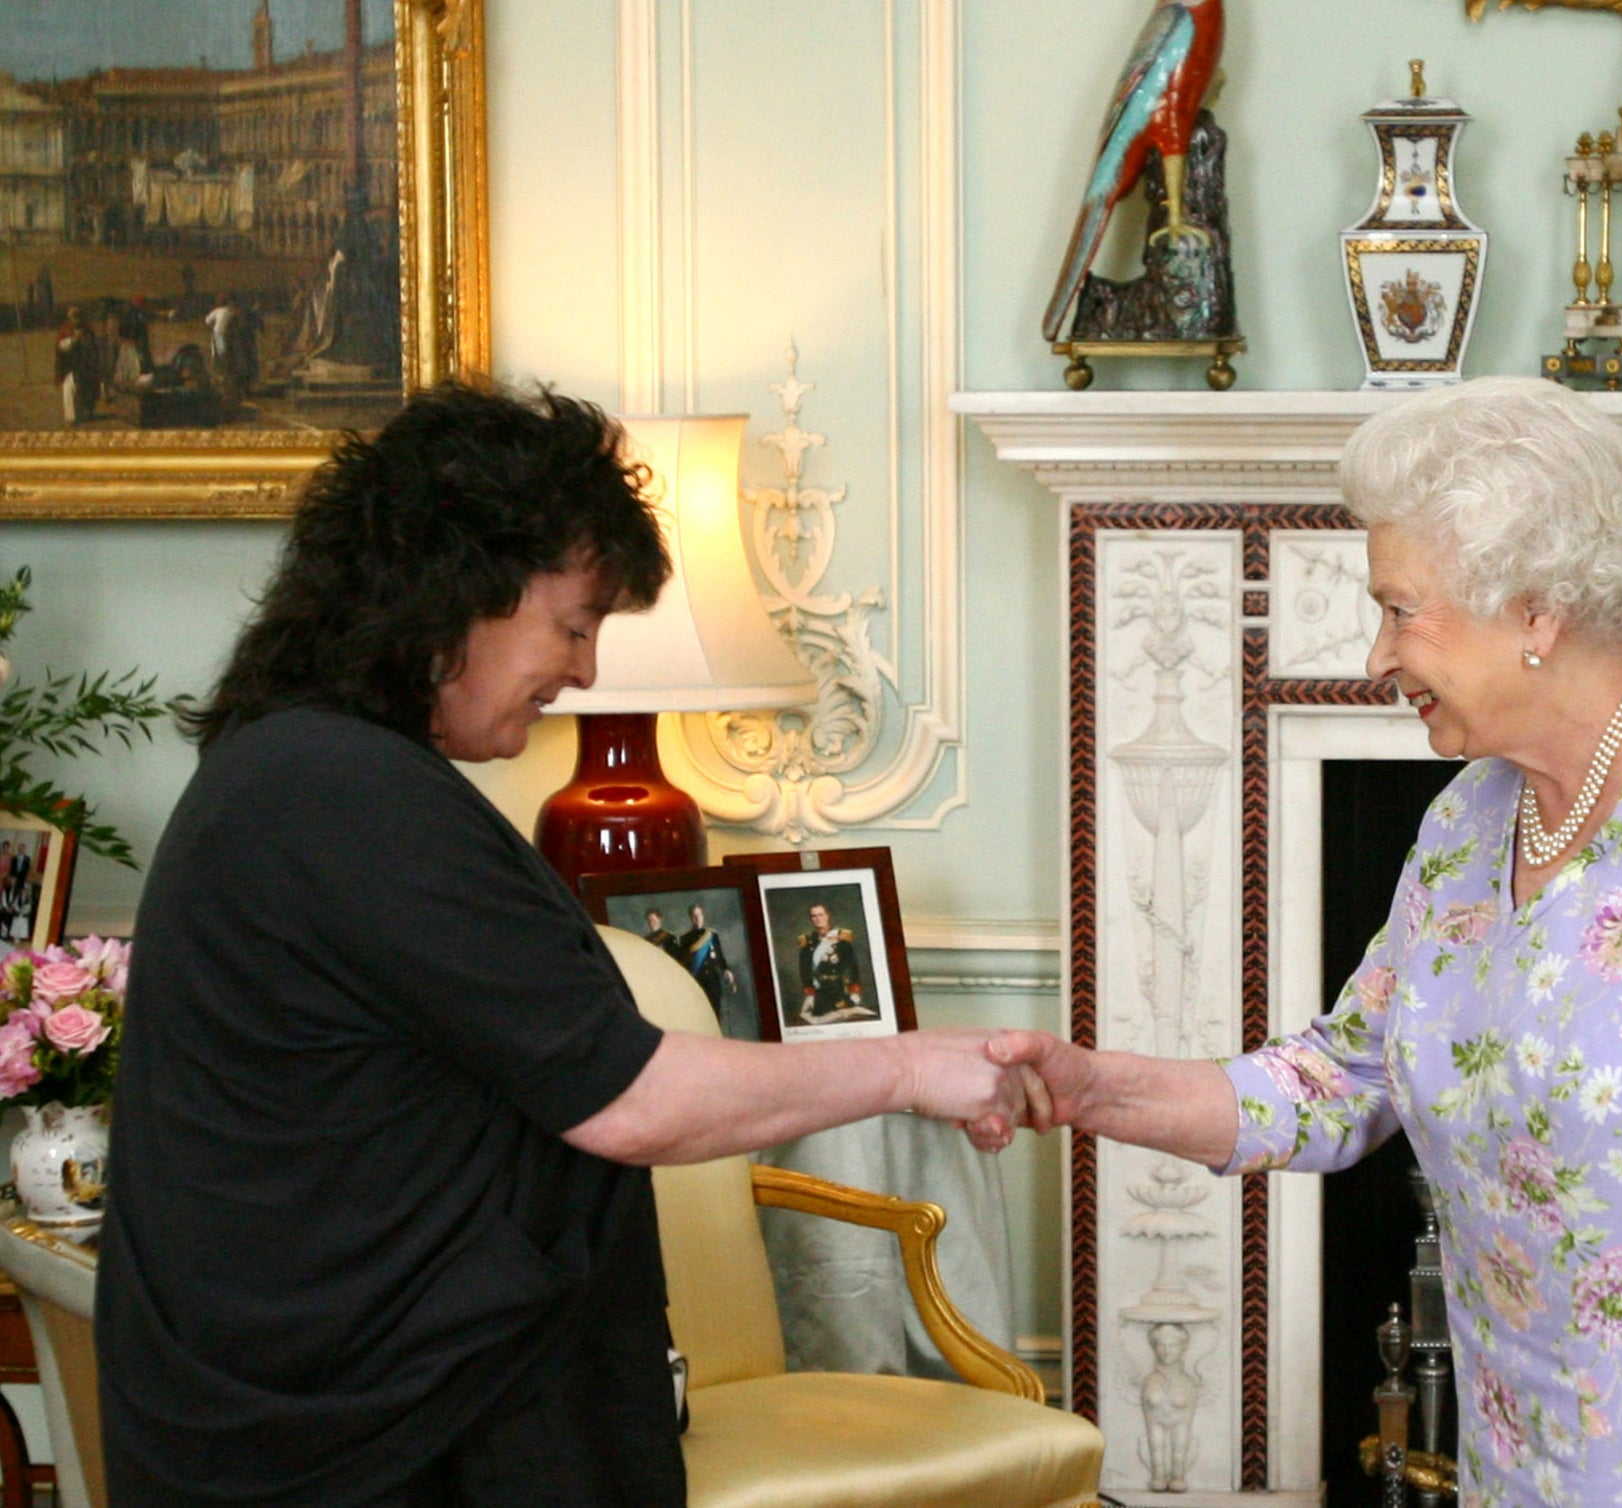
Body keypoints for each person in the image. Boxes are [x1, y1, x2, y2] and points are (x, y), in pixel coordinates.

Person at [992, 377, 1622, 1508]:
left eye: (1399, 607)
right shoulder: (1475, 814)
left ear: (1534, 608)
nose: (1376, 654)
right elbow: (1336, 1080)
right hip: (1528, 1462)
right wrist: (1086, 1088)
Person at [95, 381, 1028, 1508]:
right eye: (575, 624)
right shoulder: (336, 793)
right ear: (461, 588)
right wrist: (911, 1065)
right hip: (369, 1451)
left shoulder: (300, 768)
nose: (583, 671)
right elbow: (632, 1096)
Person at [797, 901, 866, 1023]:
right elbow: (804, 970)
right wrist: (809, 994)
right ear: (811, 919)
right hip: (819, 993)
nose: (818, 919)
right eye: (814, 916)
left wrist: (854, 992)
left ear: (827, 916)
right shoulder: (807, 942)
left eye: (821, 915)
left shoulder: (841, 938)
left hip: (839, 991)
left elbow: (852, 966)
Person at [672, 903, 736, 1018]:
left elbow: (720, 956)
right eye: (694, 916)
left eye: (699, 915)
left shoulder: (712, 935)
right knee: (701, 1016)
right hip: (697, 982)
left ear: (703, 916)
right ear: (691, 918)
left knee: (716, 1015)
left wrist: (726, 970)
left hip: (713, 981)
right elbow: (683, 963)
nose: (697, 919)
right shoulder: (685, 939)